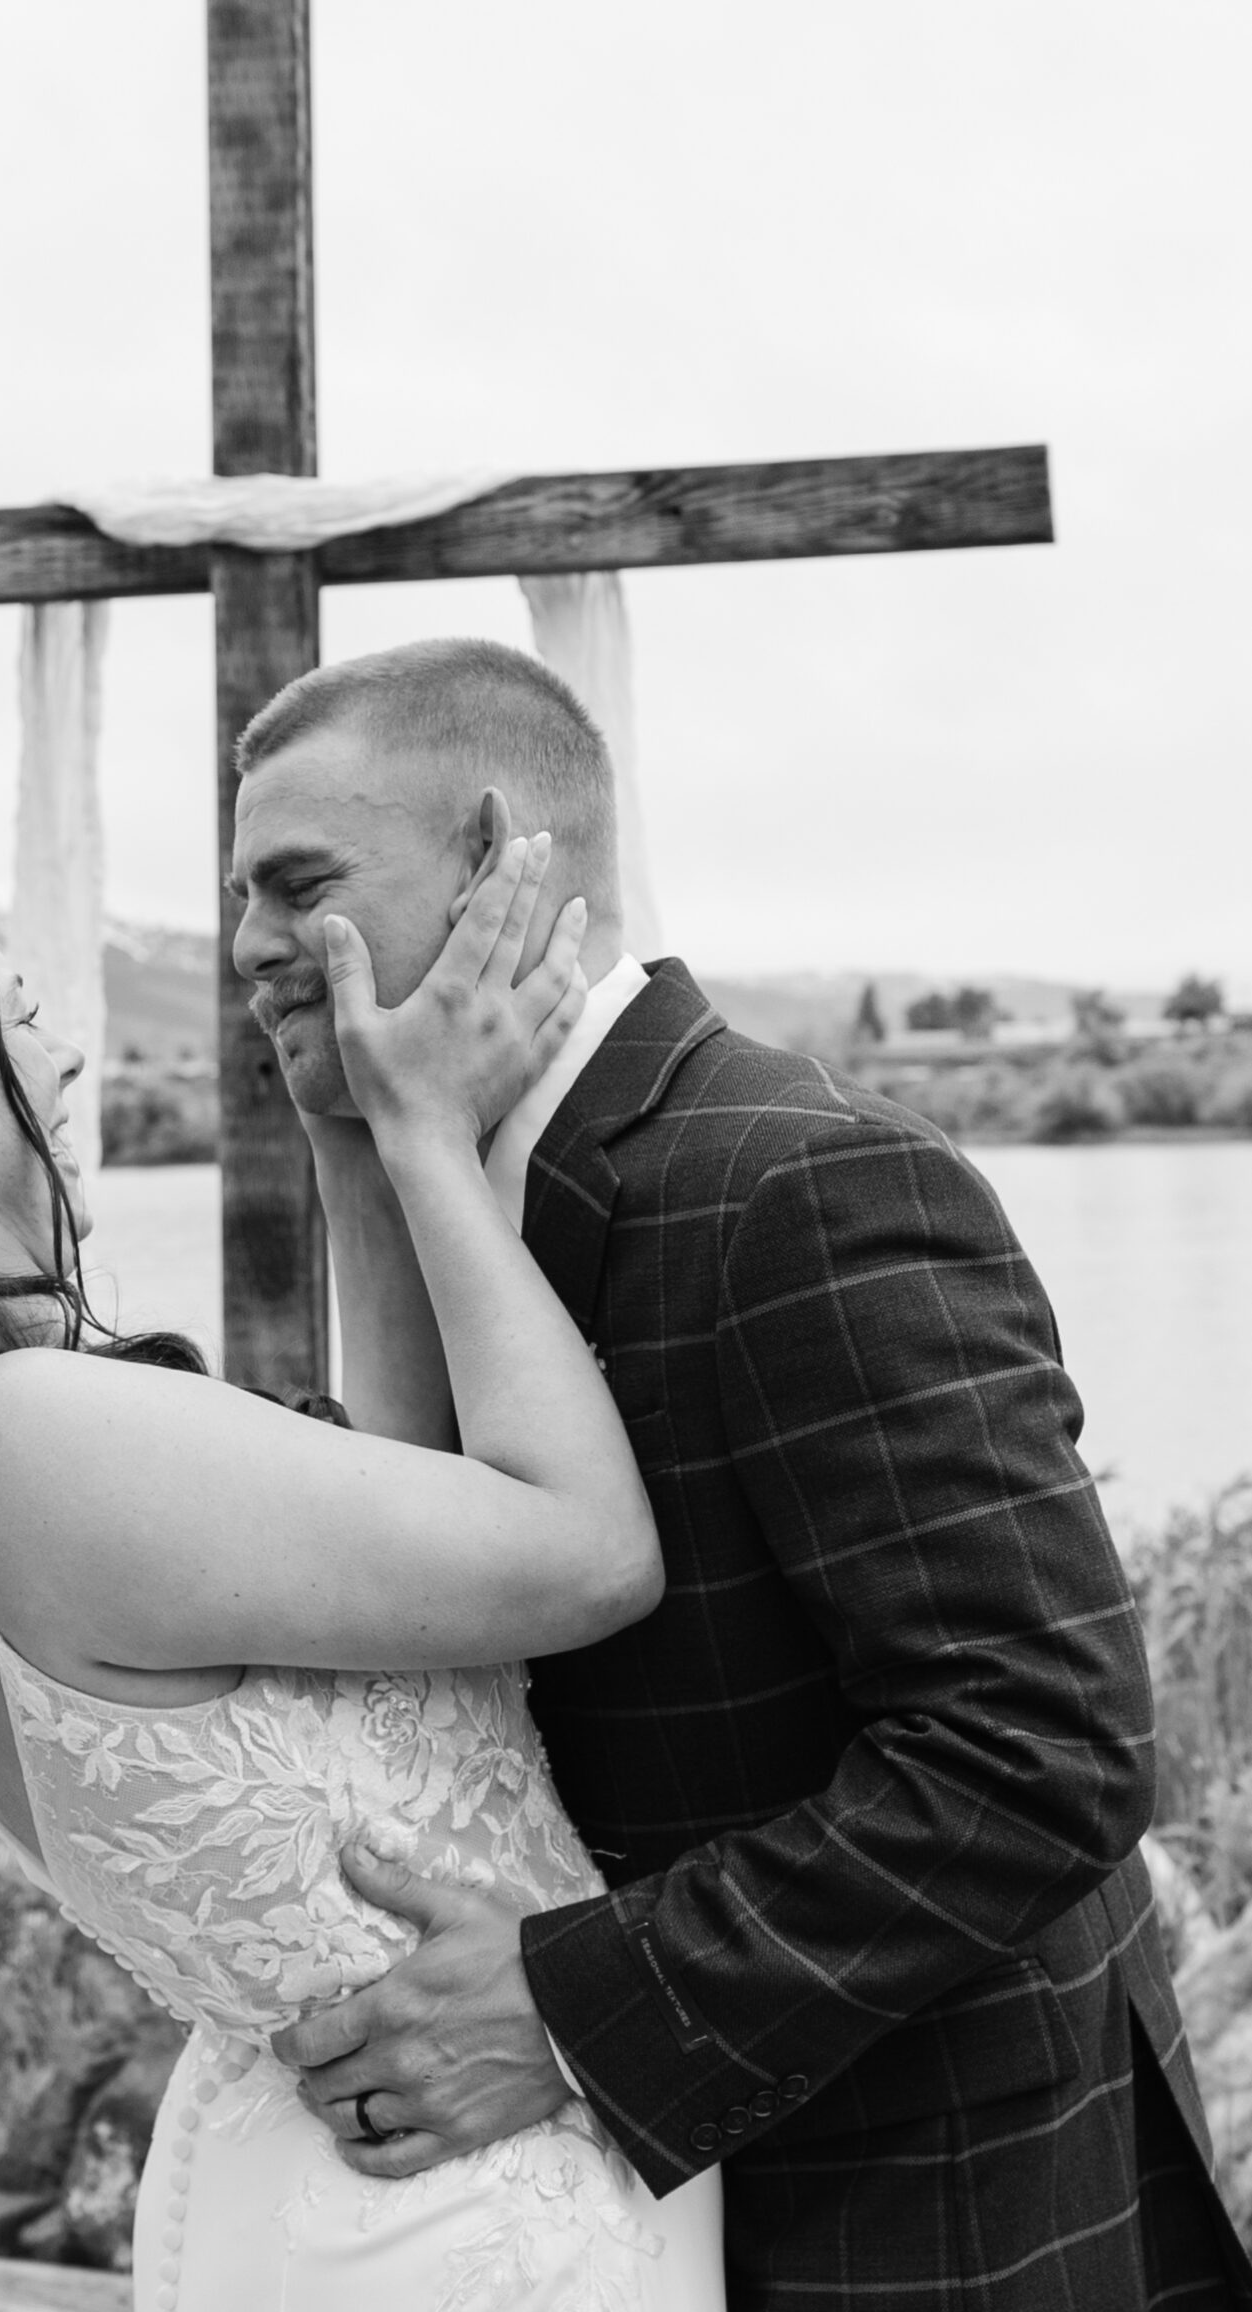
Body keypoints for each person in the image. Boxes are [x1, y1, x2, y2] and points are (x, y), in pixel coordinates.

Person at [0, 848, 730, 2311]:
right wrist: (429, 1130)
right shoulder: (25, 1437)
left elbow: (410, 1548)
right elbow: (585, 1554)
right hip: (454, 2221)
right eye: (14, 1008)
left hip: (330, 2174)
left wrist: (345, 1149)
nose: (66, 1050)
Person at [230, 637, 1251, 2309]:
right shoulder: (456, 1192)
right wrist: (360, 1138)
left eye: (299, 885)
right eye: (242, 898)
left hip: (904, 2204)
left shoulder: (801, 1186)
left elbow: (1041, 1747)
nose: (252, 946)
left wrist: (571, 2006)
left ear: (498, 859)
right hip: (600, 2226)